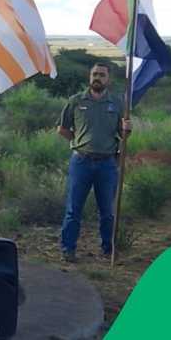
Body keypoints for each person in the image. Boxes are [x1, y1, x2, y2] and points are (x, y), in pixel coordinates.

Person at [57, 62, 130, 262]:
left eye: (102, 75)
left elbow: (123, 136)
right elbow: (62, 129)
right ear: (90, 77)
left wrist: (127, 130)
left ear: (108, 79)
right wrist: (79, 141)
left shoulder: (117, 103)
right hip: (81, 162)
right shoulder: (76, 101)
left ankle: (108, 249)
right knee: (74, 209)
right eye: (94, 74)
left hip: (107, 164)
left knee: (107, 210)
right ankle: (68, 249)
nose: (98, 78)